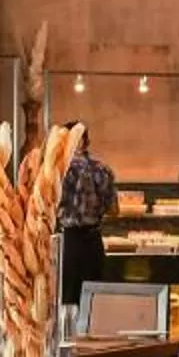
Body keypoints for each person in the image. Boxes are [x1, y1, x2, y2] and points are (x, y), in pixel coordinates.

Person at [57, 121, 116, 293]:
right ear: (85, 141)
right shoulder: (103, 169)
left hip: (68, 242)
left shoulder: (59, 170)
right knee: (92, 297)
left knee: (66, 298)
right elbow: (113, 209)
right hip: (94, 242)